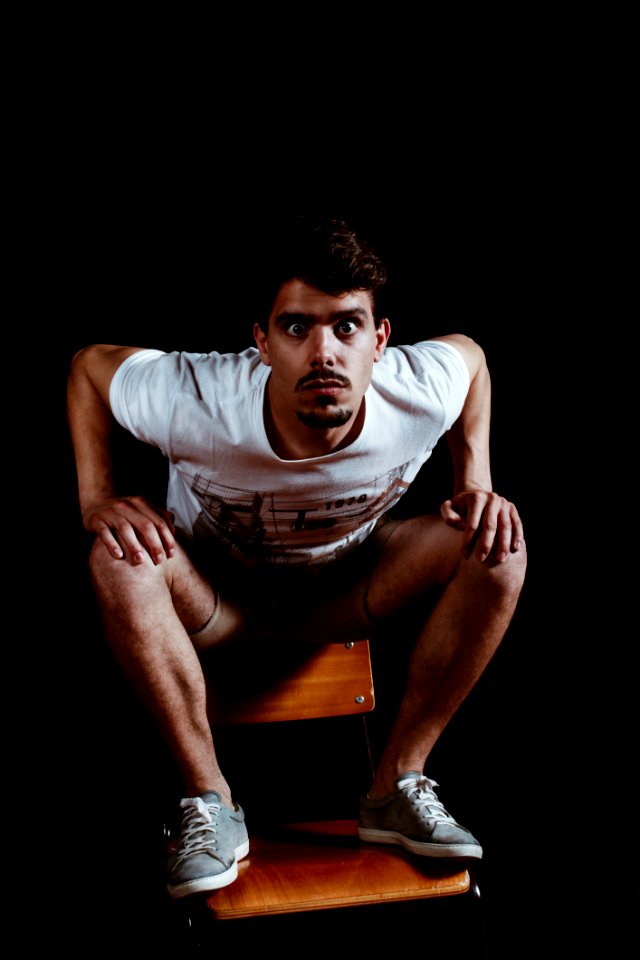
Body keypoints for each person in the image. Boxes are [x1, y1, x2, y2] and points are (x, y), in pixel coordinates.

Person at [67, 215, 526, 901]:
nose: (324, 353)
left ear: (380, 341)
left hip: (343, 597)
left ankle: (397, 783)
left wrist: (477, 485)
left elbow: (474, 360)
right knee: (118, 555)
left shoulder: (418, 388)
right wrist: (97, 496)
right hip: (215, 603)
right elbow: (89, 368)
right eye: (296, 328)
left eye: (345, 327)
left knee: (499, 546)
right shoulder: (197, 399)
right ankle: (209, 800)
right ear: (260, 342)